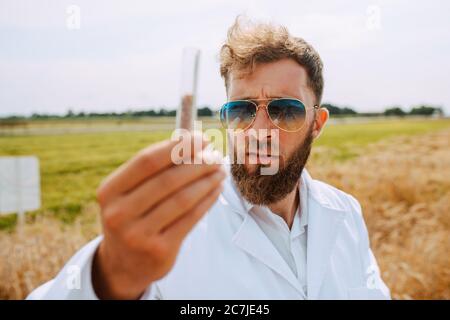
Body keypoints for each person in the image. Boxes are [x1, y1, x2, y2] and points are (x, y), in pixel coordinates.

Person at [27, 17, 390, 300]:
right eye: (241, 110)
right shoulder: (179, 226)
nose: (258, 130)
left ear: (317, 123)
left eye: (284, 109)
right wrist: (112, 274)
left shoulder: (345, 215)